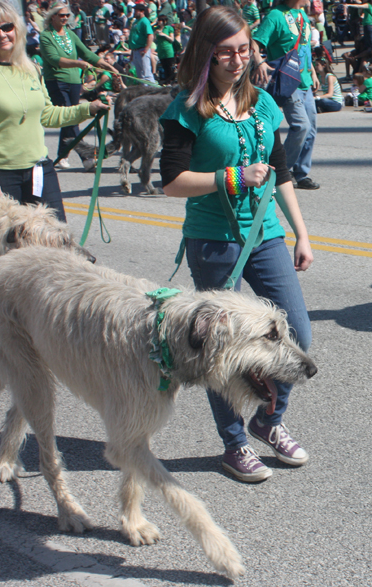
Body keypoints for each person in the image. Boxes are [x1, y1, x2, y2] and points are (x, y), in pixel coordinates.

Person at [160, 6, 313, 483]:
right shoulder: (187, 109)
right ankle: (234, 444)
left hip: (264, 236)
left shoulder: (263, 103)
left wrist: (301, 233)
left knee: (298, 338)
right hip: (212, 240)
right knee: (220, 352)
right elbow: (171, 181)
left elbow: (281, 171)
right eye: (225, 52)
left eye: (244, 49)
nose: (237, 60)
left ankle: (268, 420)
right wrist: (230, 177)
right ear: (205, 52)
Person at [0, 0, 110, 222]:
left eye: (7, 27)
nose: (2, 34)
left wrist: (88, 108)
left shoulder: (32, 70)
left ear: (16, 29)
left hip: (39, 170)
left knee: (57, 240)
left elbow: (47, 115)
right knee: (10, 251)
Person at [40, 1, 118, 169]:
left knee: (70, 119)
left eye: (68, 15)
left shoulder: (70, 34)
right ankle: (86, 157)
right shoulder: (46, 36)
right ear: (53, 16)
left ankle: (62, 155)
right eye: (62, 15)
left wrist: (110, 67)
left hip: (74, 82)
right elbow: (54, 59)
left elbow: (87, 53)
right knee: (71, 118)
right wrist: (78, 63)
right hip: (56, 81)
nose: (66, 18)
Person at [252, 0, 321, 190]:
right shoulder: (275, 15)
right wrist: (259, 63)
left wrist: (313, 72)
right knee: (301, 125)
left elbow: (304, 48)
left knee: (311, 129)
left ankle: (301, 174)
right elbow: (254, 43)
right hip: (288, 80)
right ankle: (283, 170)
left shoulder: (301, 14)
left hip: (305, 79)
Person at [128, 4, 155, 82]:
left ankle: (154, 89)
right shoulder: (135, 22)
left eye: (136, 11)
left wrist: (146, 49)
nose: (134, 12)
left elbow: (150, 35)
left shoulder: (145, 21)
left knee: (146, 73)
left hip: (142, 49)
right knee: (139, 75)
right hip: (135, 50)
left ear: (142, 11)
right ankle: (144, 90)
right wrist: (132, 53)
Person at [155, 14, 175, 84]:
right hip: (161, 50)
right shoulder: (156, 28)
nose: (159, 22)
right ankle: (167, 82)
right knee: (164, 67)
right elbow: (154, 39)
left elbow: (172, 39)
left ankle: (171, 82)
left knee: (169, 67)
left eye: (160, 20)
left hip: (168, 50)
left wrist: (164, 35)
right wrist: (155, 33)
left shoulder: (169, 28)